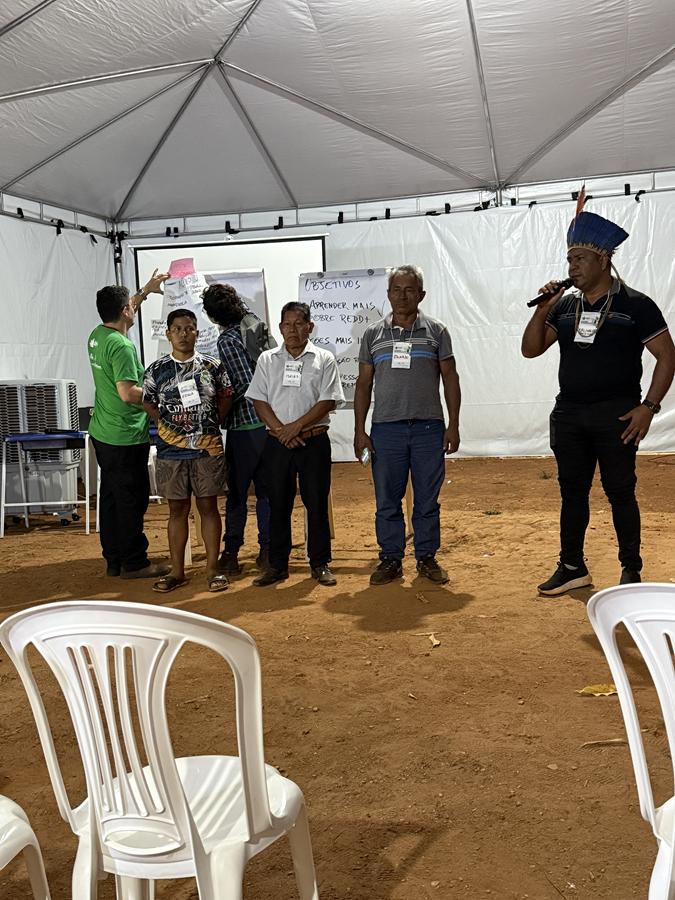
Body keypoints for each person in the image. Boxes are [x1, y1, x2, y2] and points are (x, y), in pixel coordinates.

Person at [521, 194, 675, 595]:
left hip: (617, 415)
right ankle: (572, 566)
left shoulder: (635, 305)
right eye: (569, 260)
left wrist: (648, 408)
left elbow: (667, 356)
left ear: (603, 260)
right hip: (570, 414)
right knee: (572, 491)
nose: (571, 267)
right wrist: (543, 308)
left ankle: (631, 570)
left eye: (579, 259)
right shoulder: (564, 307)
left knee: (620, 491)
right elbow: (530, 349)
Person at [354, 264, 461, 586]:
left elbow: (450, 378)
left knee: (427, 499)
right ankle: (391, 558)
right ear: (388, 294)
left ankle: (426, 557)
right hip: (386, 430)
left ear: (421, 295)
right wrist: (360, 431)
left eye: (409, 290)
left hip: (429, 429)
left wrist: (453, 424)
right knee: (387, 499)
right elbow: (363, 384)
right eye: (396, 290)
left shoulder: (437, 332)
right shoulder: (373, 334)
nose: (402, 296)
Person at [245, 301, 345, 587]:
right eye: (287, 324)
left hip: (313, 441)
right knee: (278, 504)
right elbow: (259, 399)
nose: (292, 329)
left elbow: (327, 400)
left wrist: (295, 427)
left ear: (310, 327)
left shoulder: (324, 358)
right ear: (280, 328)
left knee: (316, 503)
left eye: (299, 323)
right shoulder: (267, 360)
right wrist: (281, 431)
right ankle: (277, 565)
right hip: (277, 444)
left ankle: (320, 563)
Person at [142, 309, 233, 593]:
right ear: (168, 333)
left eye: (189, 328)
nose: (184, 334)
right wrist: (167, 425)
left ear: (197, 332)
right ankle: (177, 571)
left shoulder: (213, 366)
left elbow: (226, 397)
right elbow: (148, 402)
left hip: (207, 448)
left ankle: (212, 569)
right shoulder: (156, 370)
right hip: (170, 450)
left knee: (208, 506)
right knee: (177, 509)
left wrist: (211, 423)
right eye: (178, 329)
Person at [88, 271, 170, 578]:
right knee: (131, 500)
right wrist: (161, 398)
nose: (133, 309)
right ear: (125, 312)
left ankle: (114, 560)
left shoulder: (98, 334)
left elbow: (126, 305)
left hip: (103, 433)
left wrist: (145, 291)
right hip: (124, 436)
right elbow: (127, 393)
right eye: (131, 307)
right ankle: (135, 562)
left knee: (111, 497)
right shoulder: (121, 346)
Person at [201, 283, 274, 576]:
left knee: (238, 493)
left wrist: (221, 409)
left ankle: (231, 552)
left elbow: (244, 383)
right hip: (270, 422)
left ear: (212, 315)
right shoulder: (255, 324)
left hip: (245, 424)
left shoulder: (228, 339)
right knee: (266, 491)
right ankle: (267, 550)